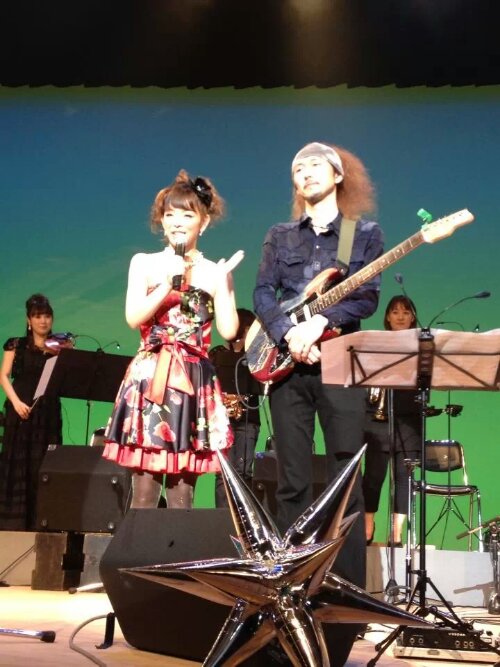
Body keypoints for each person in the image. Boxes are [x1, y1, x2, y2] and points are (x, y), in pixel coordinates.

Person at [253, 141, 384, 665]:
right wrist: (288, 333)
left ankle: (345, 601)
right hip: (288, 367)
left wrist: (321, 323)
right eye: (296, 168)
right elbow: (263, 293)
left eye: (312, 165)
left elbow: (366, 297)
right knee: (290, 481)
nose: (303, 172)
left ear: (336, 174)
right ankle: (287, 596)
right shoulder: (279, 234)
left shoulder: (362, 233)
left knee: (345, 481)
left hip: (338, 364)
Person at [103, 170, 243, 510]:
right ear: (161, 221)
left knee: (183, 494)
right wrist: (168, 283)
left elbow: (229, 331)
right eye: (170, 214)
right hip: (152, 374)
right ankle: (139, 546)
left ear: (203, 222)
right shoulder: (144, 263)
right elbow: (134, 317)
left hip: (193, 379)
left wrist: (224, 285)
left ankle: (178, 547)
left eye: (187, 214)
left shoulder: (213, 271)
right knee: (145, 491)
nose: (177, 222)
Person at [0, 294, 63, 530]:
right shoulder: (15, 344)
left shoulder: (58, 347)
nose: (43, 321)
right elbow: (4, 375)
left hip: (46, 413)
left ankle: (42, 522)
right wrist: (16, 403)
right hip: (20, 410)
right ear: (29, 320)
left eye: (46, 316)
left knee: (43, 465)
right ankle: (14, 523)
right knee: (17, 464)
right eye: (37, 316)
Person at [363, 295, 421, 547]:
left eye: (406, 312)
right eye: (395, 312)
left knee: (404, 477)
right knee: (373, 476)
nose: (400, 316)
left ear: (413, 317)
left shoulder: (420, 346)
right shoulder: (376, 344)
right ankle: (367, 527)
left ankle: (396, 535)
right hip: (377, 418)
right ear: (387, 317)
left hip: (409, 420)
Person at [209, 308, 262, 507]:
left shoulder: (256, 356)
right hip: (223, 421)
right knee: (223, 472)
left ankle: (244, 516)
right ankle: (222, 518)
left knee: (244, 471)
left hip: (249, 419)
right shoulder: (217, 355)